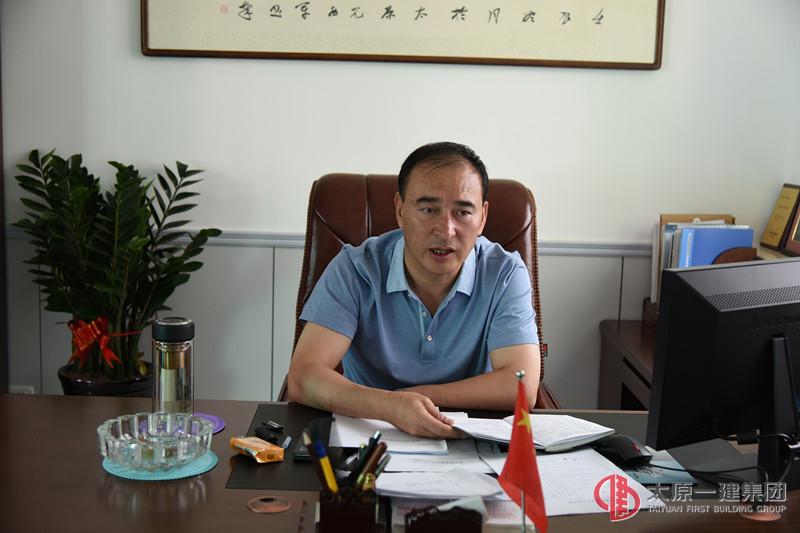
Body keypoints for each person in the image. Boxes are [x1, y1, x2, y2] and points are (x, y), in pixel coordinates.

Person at [286, 142, 541, 438]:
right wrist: (389, 407)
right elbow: (304, 376)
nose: (445, 230)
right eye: (428, 209)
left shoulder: (504, 273)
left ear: (482, 217)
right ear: (400, 209)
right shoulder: (356, 269)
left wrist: (414, 398)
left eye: (462, 212)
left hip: (467, 436)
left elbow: (521, 384)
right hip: (369, 434)